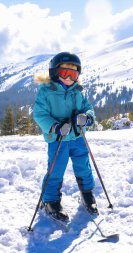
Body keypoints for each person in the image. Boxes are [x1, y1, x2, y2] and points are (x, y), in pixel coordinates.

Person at [33, 52, 98, 222]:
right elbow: (40, 114)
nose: (69, 77)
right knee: (56, 169)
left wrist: (87, 117)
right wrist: (55, 126)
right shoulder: (47, 91)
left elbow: (88, 107)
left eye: (73, 74)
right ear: (55, 72)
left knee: (83, 165)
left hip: (78, 136)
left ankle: (87, 193)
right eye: (64, 73)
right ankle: (50, 200)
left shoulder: (78, 91)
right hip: (58, 138)